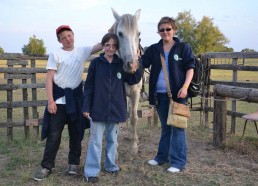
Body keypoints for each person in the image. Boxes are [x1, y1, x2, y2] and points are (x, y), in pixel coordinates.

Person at [33, 25, 103, 181]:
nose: (67, 39)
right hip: (58, 101)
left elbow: (102, 44)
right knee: (54, 135)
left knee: (76, 134)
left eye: (69, 35)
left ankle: (73, 163)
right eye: (63, 37)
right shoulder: (55, 54)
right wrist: (50, 101)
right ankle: (46, 166)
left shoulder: (82, 51)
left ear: (73, 35)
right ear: (60, 40)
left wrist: (116, 25)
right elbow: (49, 79)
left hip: (76, 100)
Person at [82, 33, 142, 183]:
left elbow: (134, 79)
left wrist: (137, 61)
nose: (110, 48)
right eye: (107, 45)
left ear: (117, 48)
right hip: (98, 109)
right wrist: (86, 106)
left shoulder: (121, 63)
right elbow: (89, 87)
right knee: (95, 141)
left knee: (112, 141)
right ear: (102, 46)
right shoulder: (96, 64)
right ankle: (91, 171)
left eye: (114, 46)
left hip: (116, 109)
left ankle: (111, 166)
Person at [140, 17, 195, 173]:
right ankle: (162, 157)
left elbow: (190, 67)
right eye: (162, 29)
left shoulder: (183, 48)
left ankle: (177, 162)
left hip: (178, 95)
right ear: (158, 31)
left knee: (178, 128)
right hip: (159, 95)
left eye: (168, 29)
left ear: (174, 30)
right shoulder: (153, 49)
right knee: (166, 127)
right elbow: (142, 63)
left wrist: (185, 86)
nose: (165, 32)